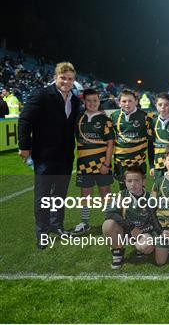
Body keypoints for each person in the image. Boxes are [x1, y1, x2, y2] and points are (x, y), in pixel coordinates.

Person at [18, 62, 81, 249]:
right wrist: (24, 146)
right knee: (43, 196)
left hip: (66, 157)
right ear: (55, 77)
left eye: (70, 79)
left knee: (60, 195)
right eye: (63, 77)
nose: (66, 82)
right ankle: (42, 232)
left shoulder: (75, 100)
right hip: (44, 156)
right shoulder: (41, 95)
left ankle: (56, 225)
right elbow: (24, 120)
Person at [71, 89, 114, 236]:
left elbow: (110, 143)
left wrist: (106, 164)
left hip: (102, 164)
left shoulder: (105, 120)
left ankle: (109, 222)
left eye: (95, 100)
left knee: (105, 193)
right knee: (85, 194)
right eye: (89, 101)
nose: (92, 103)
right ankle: (84, 222)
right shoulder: (78, 118)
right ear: (84, 102)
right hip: (84, 164)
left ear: (99, 101)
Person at [102, 167, 156, 269]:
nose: (133, 184)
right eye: (129, 181)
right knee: (108, 225)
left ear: (143, 181)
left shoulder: (150, 198)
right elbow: (109, 213)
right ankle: (117, 252)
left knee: (146, 247)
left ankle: (140, 248)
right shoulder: (121, 195)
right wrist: (131, 227)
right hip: (127, 231)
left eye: (136, 180)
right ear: (125, 182)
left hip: (143, 232)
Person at [109, 89, 153, 189]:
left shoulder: (146, 117)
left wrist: (152, 164)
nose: (127, 104)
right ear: (119, 103)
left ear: (136, 102)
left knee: (139, 192)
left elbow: (151, 143)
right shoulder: (113, 116)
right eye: (124, 101)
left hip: (138, 162)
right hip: (120, 163)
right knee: (123, 192)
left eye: (130, 101)